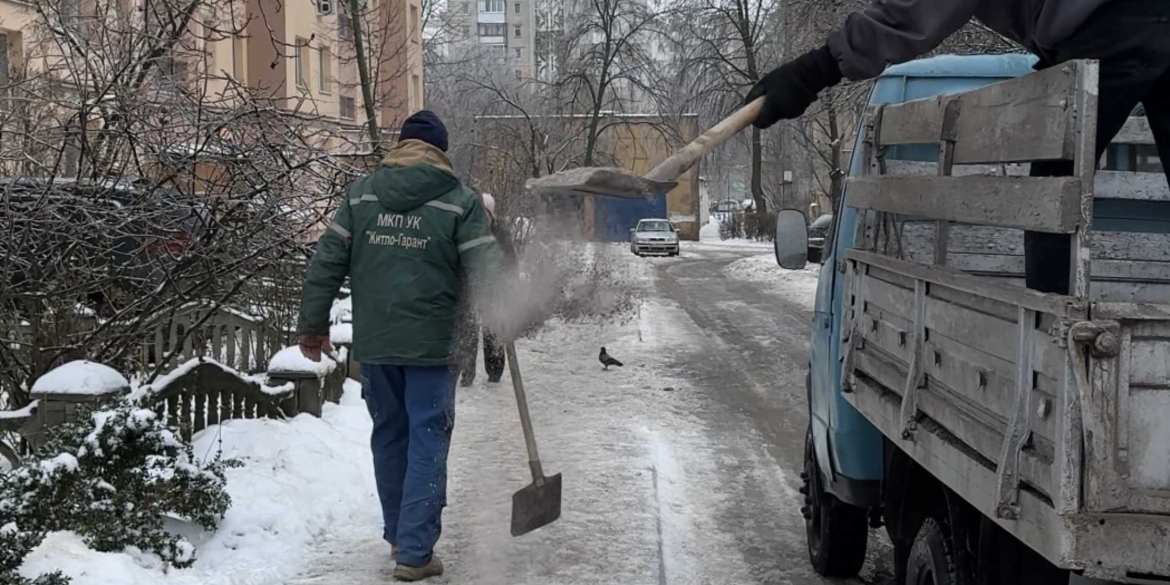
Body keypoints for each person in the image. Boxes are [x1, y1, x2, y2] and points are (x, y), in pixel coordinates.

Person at [747, 0, 1170, 294]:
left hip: (1113, 21)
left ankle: (1050, 345)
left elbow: (919, 11)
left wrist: (818, 68)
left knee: (1053, 200)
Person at [296, 110, 500, 582]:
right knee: (428, 439)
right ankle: (414, 551)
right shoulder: (459, 200)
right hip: (433, 346)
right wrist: (506, 309)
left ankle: (398, 535)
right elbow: (485, 269)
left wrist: (312, 326)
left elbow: (327, 259)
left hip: (377, 345)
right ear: (441, 153)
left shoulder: (361, 195)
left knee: (390, 436)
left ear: (400, 147)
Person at [457, 193, 512, 386]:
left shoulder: (500, 233)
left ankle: (494, 373)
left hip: (493, 292)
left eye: (485, 214)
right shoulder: (466, 231)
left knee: (493, 332)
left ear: (491, 214)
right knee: (467, 333)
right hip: (469, 290)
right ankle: (466, 373)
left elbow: (510, 261)